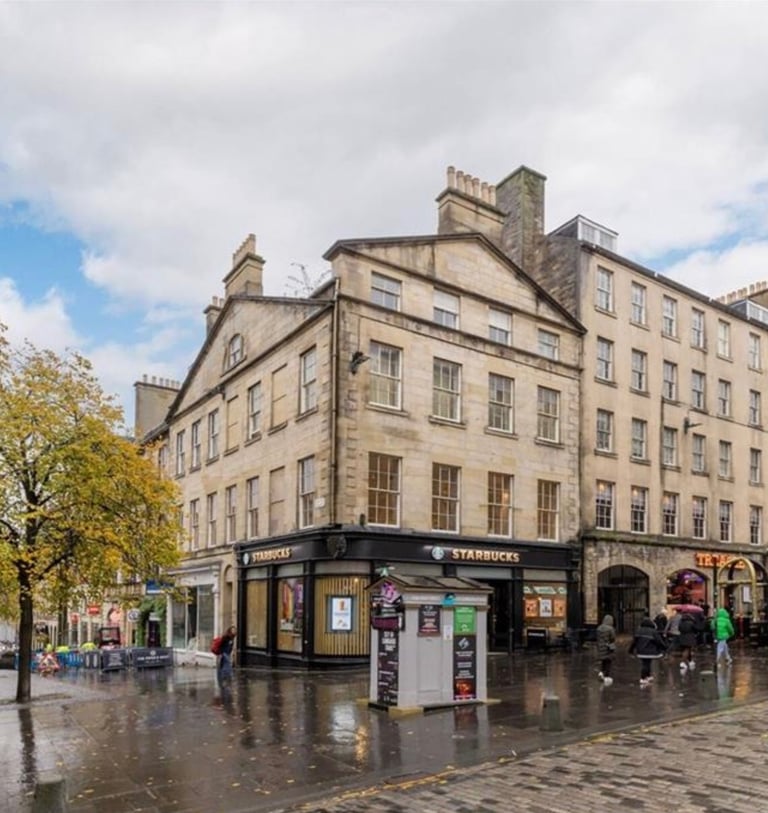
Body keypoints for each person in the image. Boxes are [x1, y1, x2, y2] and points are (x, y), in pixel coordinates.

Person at [629, 617, 668, 686]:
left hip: (640, 651)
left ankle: (647, 676)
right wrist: (664, 648)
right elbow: (659, 641)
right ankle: (643, 677)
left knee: (646, 663)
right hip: (650, 651)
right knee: (646, 664)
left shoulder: (638, 631)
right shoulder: (653, 631)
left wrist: (631, 650)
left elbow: (634, 642)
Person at [596, 614, 616, 686]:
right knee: (608, 661)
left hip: (600, 647)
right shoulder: (610, 629)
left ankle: (601, 672)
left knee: (603, 661)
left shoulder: (599, 628)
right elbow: (613, 638)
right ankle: (607, 676)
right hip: (608, 647)